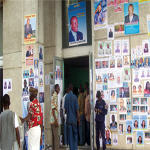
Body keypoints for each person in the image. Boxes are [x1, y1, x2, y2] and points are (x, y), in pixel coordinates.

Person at [64, 84, 80, 150]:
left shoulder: (66, 97)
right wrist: (78, 119)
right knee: (75, 135)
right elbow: (77, 110)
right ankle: (75, 148)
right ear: (72, 89)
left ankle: (71, 148)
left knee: (70, 136)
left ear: (69, 89)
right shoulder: (75, 97)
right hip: (74, 120)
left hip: (69, 120)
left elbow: (65, 110)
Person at [50, 84, 60, 150]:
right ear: (56, 88)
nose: (59, 90)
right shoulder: (55, 96)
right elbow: (53, 109)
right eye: (58, 88)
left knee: (54, 138)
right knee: (56, 138)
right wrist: (56, 121)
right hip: (54, 120)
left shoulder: (53, 95)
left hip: (52, 120)